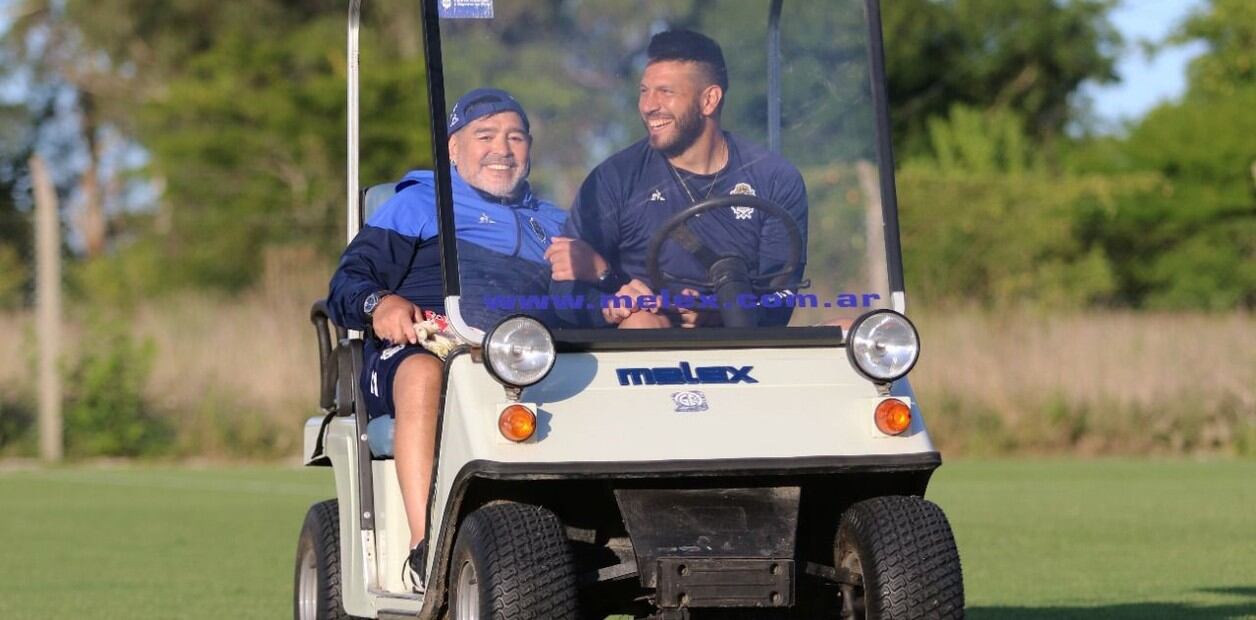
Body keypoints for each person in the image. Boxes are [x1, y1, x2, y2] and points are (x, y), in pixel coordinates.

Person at [326, 88, 567, 592]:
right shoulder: (417, 204)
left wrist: (611, 281)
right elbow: (347, 285)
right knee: (423, 371)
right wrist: (382, 305)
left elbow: (597, 299)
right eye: (485, 136)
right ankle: (426, 547)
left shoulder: (555, 223)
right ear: (453, 149)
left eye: (515, 137)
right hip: (422, 349)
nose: (502, 148)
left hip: (526, 359)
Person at [549, 28, 809, 329]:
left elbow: (781, 298)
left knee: (851, 328)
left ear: (709, 100)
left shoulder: (775, 179)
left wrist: (721, 312)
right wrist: (609, 307)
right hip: (645, 351)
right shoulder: (614, 178)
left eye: (665, 92)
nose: (648, 106)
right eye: (644, 91)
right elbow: (562, 290)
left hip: (742, 344)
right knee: (641, 322)